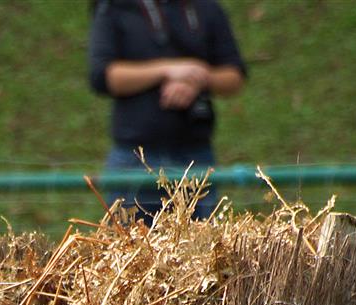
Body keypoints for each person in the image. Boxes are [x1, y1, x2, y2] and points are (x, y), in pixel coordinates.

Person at [88, 0, 247, 222]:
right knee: (131, 238)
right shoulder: (115, 7)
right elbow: (103, 76)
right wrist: (167, 71)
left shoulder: (205, 8)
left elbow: (234, 75)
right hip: (135, 157)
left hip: (196, 154)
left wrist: (197, 78)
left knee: (200, 239)